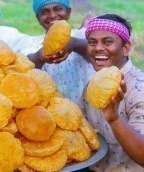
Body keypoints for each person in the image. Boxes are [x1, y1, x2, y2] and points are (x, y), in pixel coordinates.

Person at [80, 14, 144, 171]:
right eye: (92, 42)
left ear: (126, 48)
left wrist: (114, 119)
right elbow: (80, 127)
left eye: (108, 42)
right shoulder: (92, 85)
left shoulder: (140, 88)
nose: (98, 48)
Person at [26, 0, 95, 103]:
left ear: (69, 12)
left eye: (57, 9)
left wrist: (73, 43)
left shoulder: (81, 34)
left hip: (90, 109)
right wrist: (40, 56)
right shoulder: (33, 43)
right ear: (38, 18)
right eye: (45, 12)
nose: (52, 15)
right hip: (55, 113)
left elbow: (97, 50)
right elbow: (26, 65)